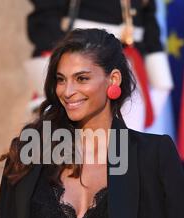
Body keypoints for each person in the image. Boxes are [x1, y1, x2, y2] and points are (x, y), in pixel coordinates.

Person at [0, 29, 184, 218]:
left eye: (81, 78)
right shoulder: (29, 153)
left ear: (113, 79)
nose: (68, 92)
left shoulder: (154, 156)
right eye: (61, 80)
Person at [25, 0, 173, 132]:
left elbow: (148, 16)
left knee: (127, 152)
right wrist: (58, 67)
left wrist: (159, 80)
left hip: (129, 62)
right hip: (80, 59)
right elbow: (46, 15)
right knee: (70, 150)